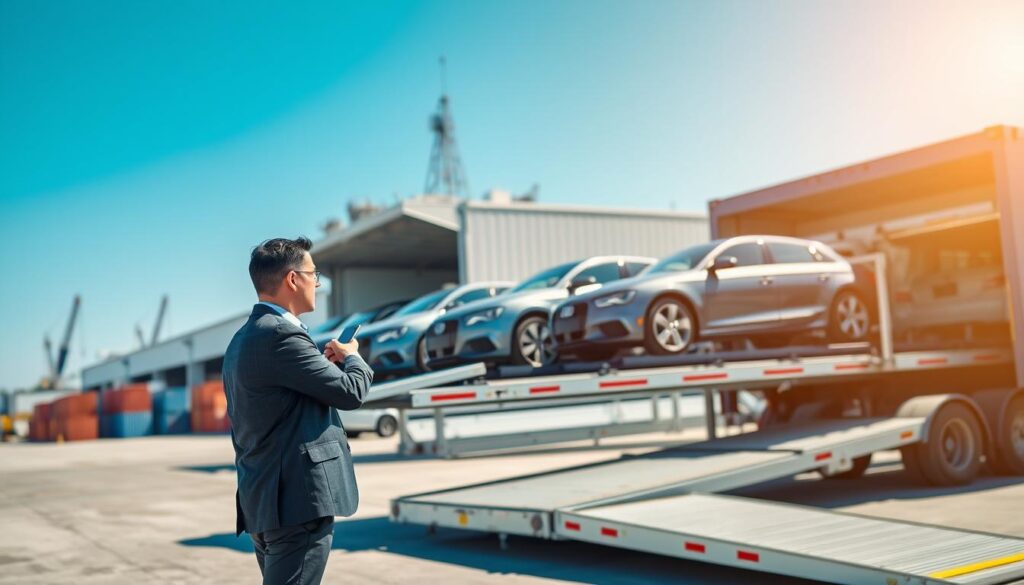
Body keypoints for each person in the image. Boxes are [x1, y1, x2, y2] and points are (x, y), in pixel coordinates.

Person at [223, 236, 373, 585]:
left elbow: (273, 406)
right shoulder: (281, 336)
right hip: (296, 502)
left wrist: (317, 368)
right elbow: (351, 392)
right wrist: (352, 357)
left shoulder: (243, 338)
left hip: (264, 500)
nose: (317, 284)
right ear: (293, 279)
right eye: (313, 274)